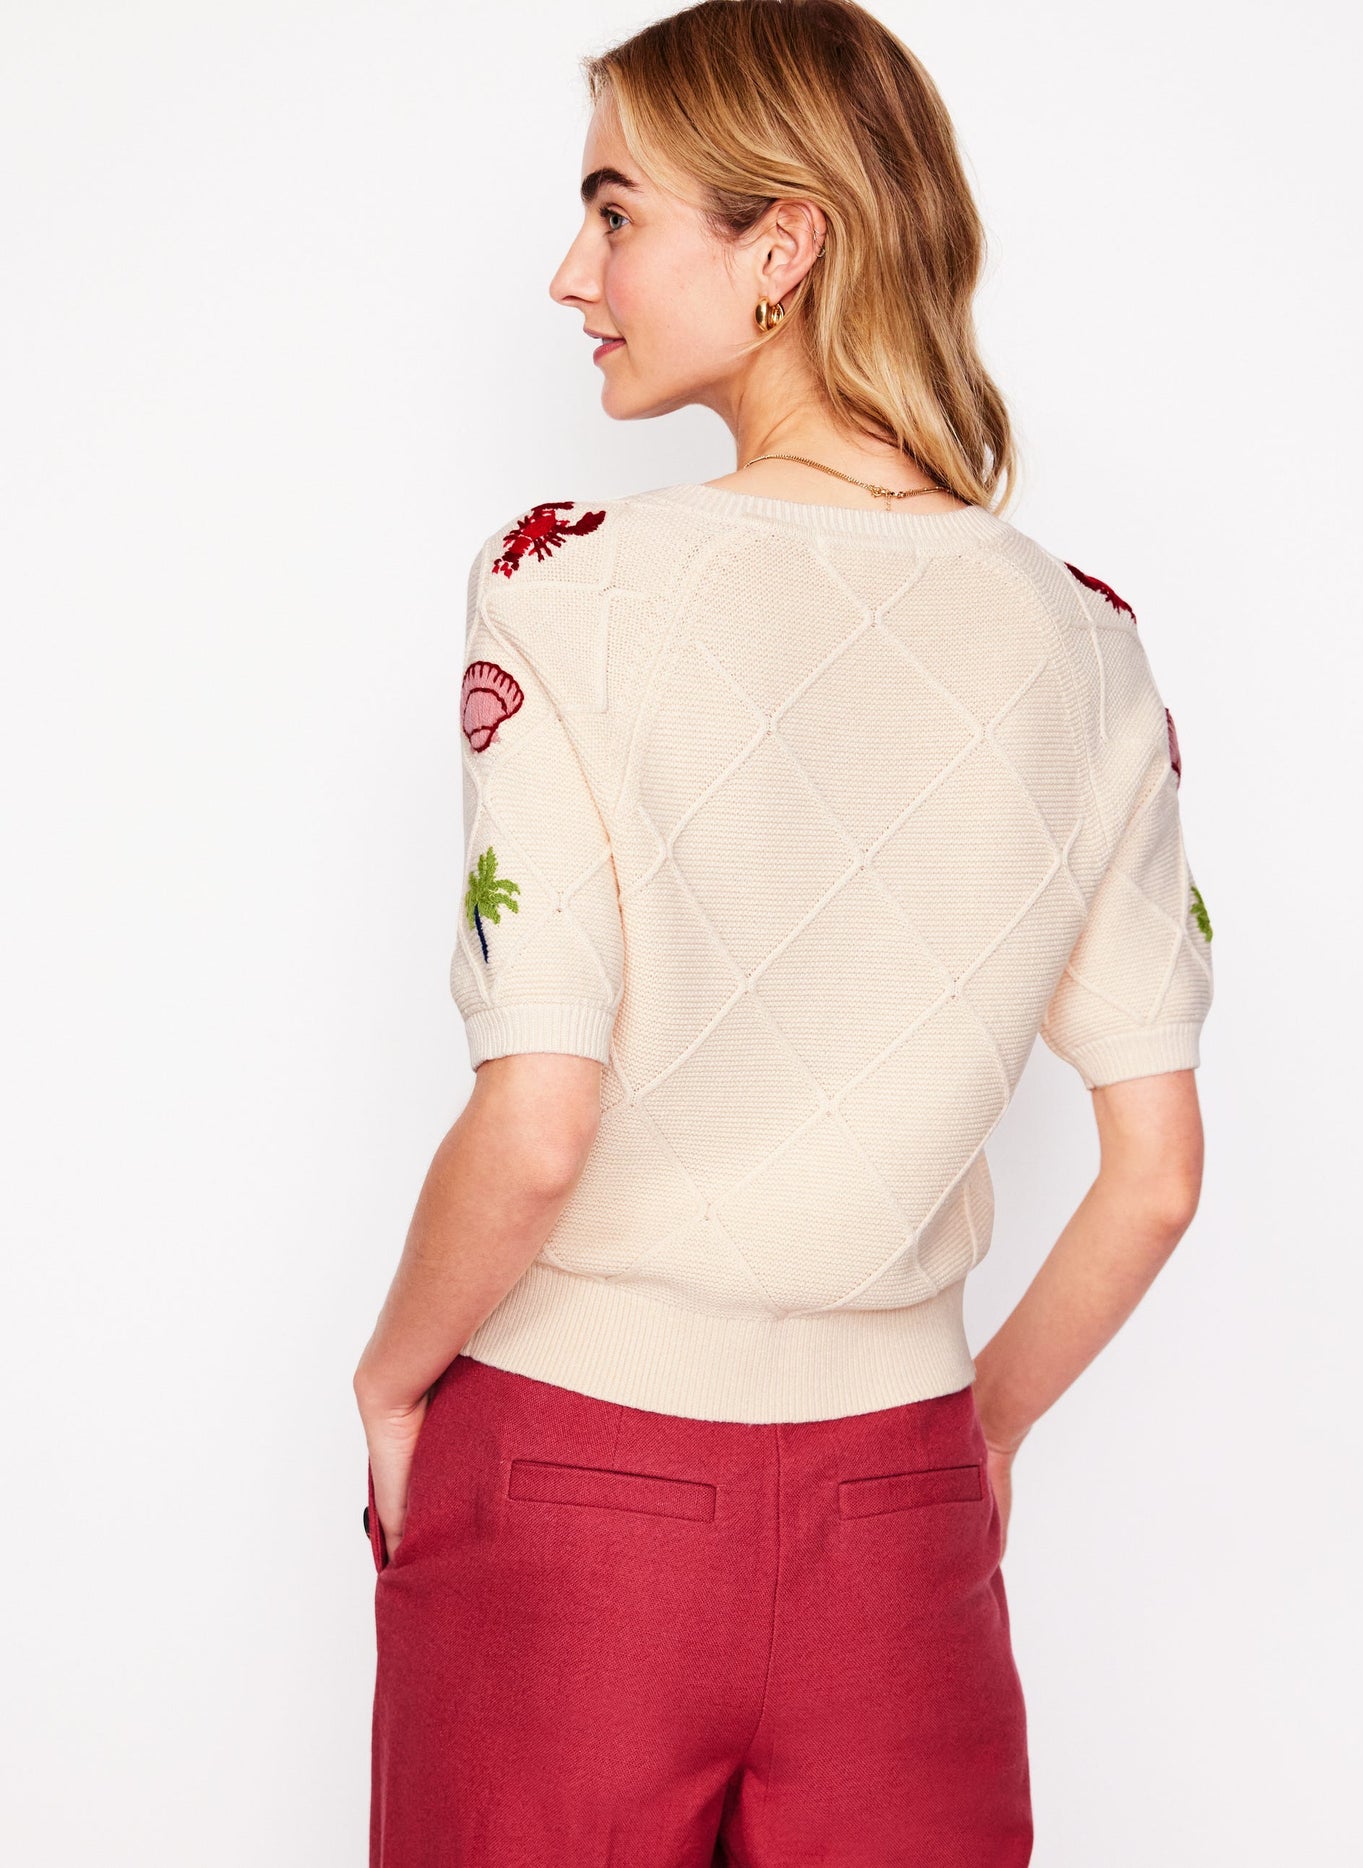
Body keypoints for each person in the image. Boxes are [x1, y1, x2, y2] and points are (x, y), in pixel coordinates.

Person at [353, 2, 1214, 1862]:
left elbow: (539, 1121)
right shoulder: (1086, 641)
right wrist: (974, 1442)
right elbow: (1154, 1176)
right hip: (896, 1521)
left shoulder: (565, 584)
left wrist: (390, 1377)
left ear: (782, 247)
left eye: (615, 213)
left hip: (567, 1480)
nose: (570, 273)